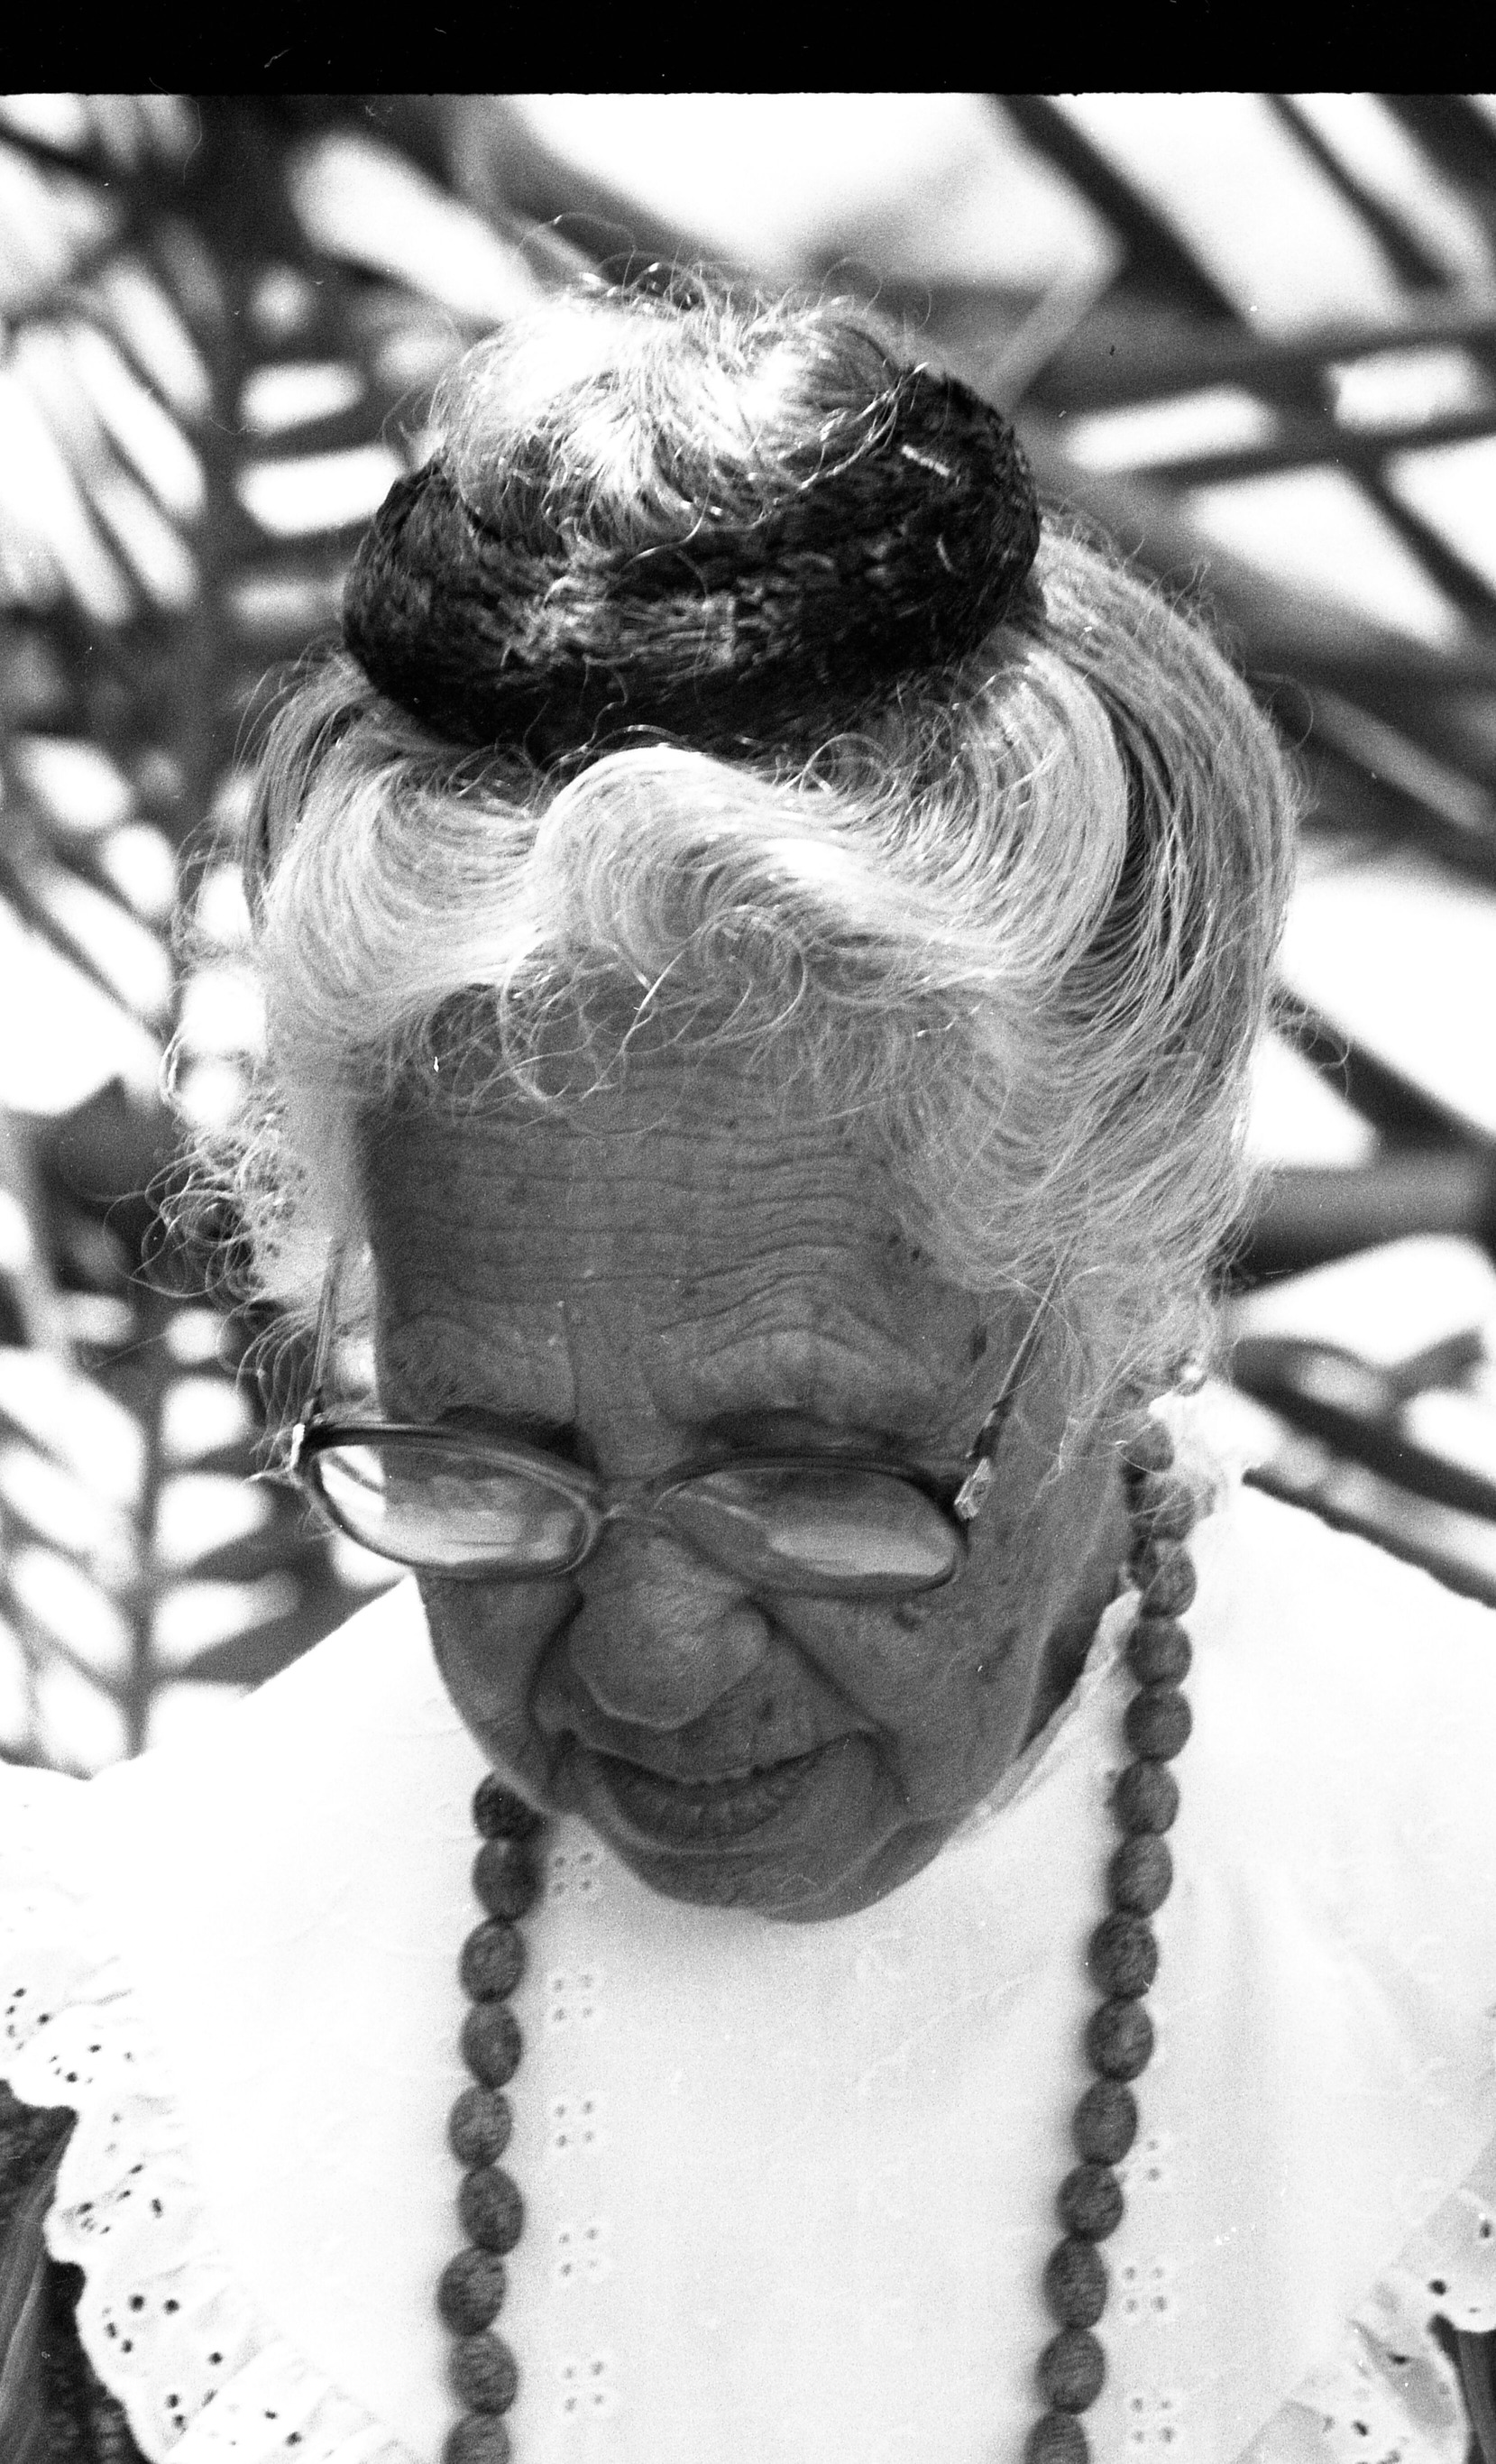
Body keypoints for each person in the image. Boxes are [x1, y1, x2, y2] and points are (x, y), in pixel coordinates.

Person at [4, 273, 1496, 2464]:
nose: (646, 1662)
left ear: (1117, 1316)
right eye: (487, 1455)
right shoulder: (120, 2098)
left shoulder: (1443, 1974)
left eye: (803, 1470)